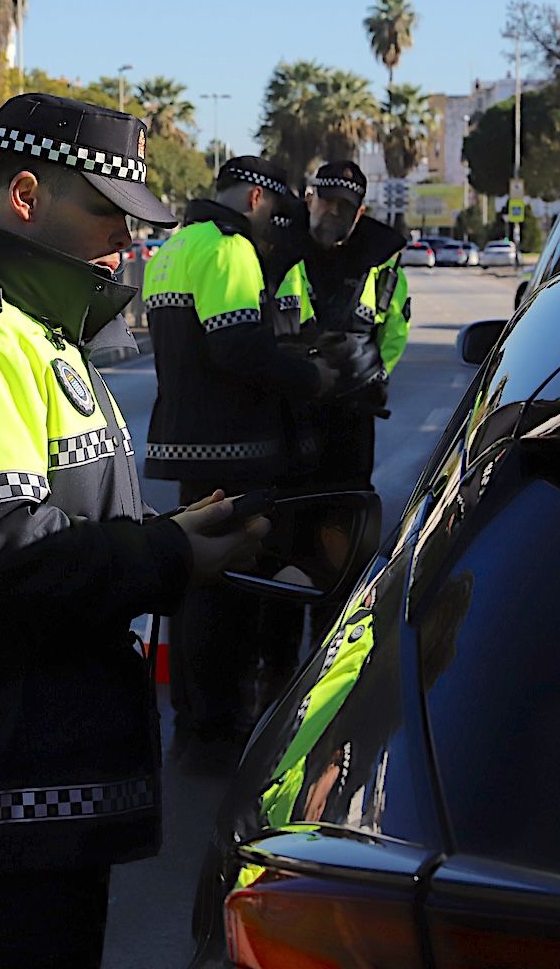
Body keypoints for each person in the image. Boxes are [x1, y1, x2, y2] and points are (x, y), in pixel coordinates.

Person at [0, 93, 270, 969]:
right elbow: (3, 549)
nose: (127, 242)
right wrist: (169, 555)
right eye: (108, 213)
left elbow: (59, 522)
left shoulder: (34, 331)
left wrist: (167, 529)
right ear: (24, 195)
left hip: (36, 775)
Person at [140, 155, 339, 764]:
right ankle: (219, 728)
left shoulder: (176, 246)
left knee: (197, 584)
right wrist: (313, 378)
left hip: (186, 440)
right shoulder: (229, 249)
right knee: (228, 591)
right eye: (276, 215)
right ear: (255, 199)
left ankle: (194, 722)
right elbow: (237, 348)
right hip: (233, 447)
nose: (276, 229)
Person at [256, 161, 409, 690]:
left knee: (339, 557)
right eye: (325, 201)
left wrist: (376, 373)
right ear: (308, 196)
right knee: (281, 554)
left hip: (350, 427)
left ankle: (327, 683)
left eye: (345, 207)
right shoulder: (274, 248)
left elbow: (394, 328)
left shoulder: (382, 262)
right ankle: (273, 682)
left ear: (359, 212)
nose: (333, 214)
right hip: (286, 424)